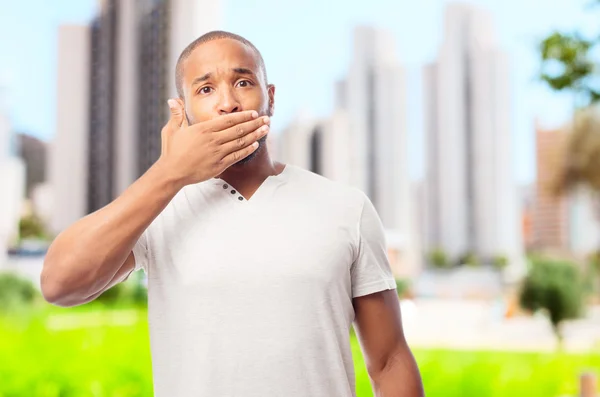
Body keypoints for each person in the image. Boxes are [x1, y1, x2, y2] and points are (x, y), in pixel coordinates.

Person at [41, 30, 424, 397]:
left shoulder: (345, 207)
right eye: (205, 89)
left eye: (243, 83)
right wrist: (168, 172)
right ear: (182, 111)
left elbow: (389, 360)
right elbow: (60, 284)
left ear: (269, 97)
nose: (228, 104)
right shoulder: (158, 208)